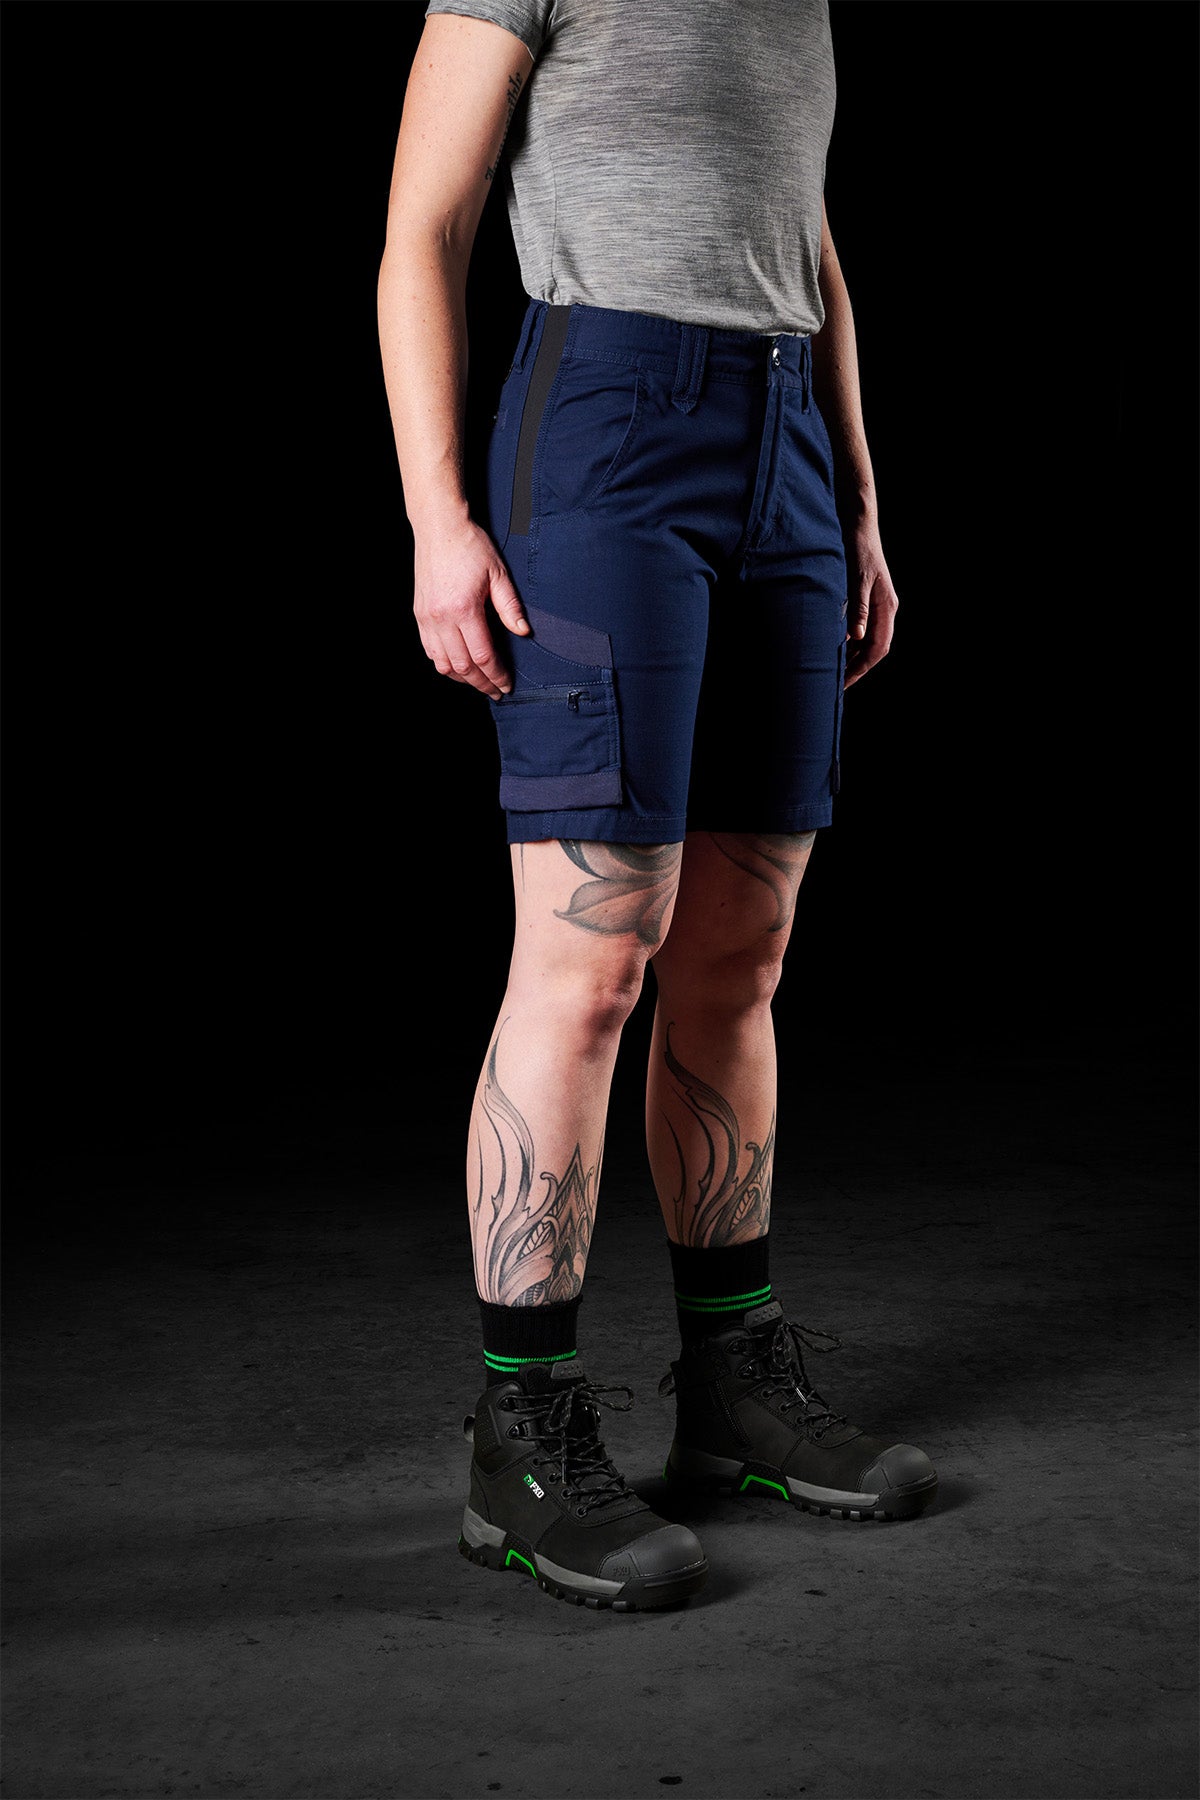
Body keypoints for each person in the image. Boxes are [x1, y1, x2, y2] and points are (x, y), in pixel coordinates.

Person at [378, 0, 937, 1613]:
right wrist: (436, 520)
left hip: (784, 446)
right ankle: (519, 1434)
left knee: (741, 955)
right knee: (594, 955)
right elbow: (423, 229)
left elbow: (807, 242)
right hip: (609, 432)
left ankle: (735, 1387)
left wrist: (858, 494)